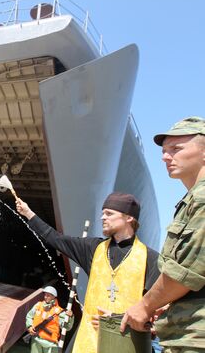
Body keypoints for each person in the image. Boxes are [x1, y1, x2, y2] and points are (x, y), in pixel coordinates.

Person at [16, 192, 160, 353]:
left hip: (128, 345)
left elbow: (160, 308)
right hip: (89, 342)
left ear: (129, 218)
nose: (102, 217)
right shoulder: (93, 249)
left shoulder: (150, 258)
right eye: (102, 213)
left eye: (109, 213)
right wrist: (28, 213)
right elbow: (56, 239)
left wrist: (120, 320)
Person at [121, 117, 205, 352]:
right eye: (165, 151)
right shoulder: (192, 199)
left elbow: (186, 272)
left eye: (176, 149)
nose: (165, 157)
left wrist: (145, 306)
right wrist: (166, 301)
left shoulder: (202, 198)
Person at [26, 286, 74, 353]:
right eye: (45, 295)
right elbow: (29, 316)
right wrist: (30, 327)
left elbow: (67, 327)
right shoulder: (38, 305)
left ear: (54, 296)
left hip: (50, 343)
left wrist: (70, 317)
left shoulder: (59, 311)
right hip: (36, 339)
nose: (45, 297)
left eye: (48, 295)